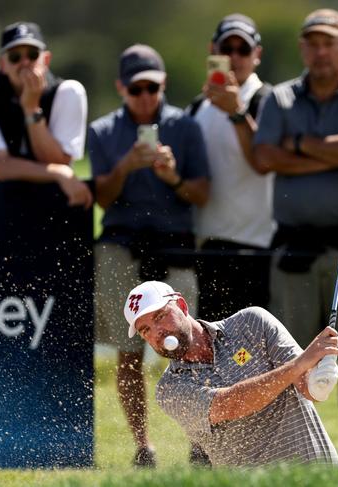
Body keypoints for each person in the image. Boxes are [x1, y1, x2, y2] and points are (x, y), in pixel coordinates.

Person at [253, 9, 338, 457]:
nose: (320, 50)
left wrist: (298, 146)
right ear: (302, 48)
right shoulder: (279, 98)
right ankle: (292, 445)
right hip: (295, 243)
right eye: (312, 42)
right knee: (286, 354)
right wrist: (332, 152)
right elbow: (264, 157)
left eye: (329, 41)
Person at [88, 44, 210, 467]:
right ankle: (143, 446)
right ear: (122, 87)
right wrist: (125, 167)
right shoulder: (103, 132)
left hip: (175, 246)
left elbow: (203, 193)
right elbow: (100, 198)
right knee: (129, 351)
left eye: (152, 88)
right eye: (137, 88)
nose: (145, 97)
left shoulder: (187, 127)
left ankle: (200, 442)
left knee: (192, 347)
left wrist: (173, 177)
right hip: (122, 247)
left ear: (163, 85)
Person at [123, 280, 338, 467]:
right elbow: (231, 404)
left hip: (317, 473)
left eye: (160, 316)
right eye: (146, 330)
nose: (157, 333)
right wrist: (300, 363)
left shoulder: (252, 323)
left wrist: (323, 371)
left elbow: (309, 389)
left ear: (182, 305)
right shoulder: (169, 389)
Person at [191, 13, 275, 320]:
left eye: (244, 49)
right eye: (228, 48)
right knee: (210, 350)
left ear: (257, 55)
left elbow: (263, 162)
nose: (235, 57)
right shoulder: (199, 106)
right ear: (213, 50)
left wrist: (237, 111)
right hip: (206, 245)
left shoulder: (267, 99)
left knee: (251, 354)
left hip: (254, 246)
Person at [0, 21, 92, 208]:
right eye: (15, 57)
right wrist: (57, 172)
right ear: (3, 65)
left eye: (32, 55)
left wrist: (31, 109)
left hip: (51, 204)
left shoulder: (68, 92)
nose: (25, 63)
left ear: (45, 60)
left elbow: (57, 159)